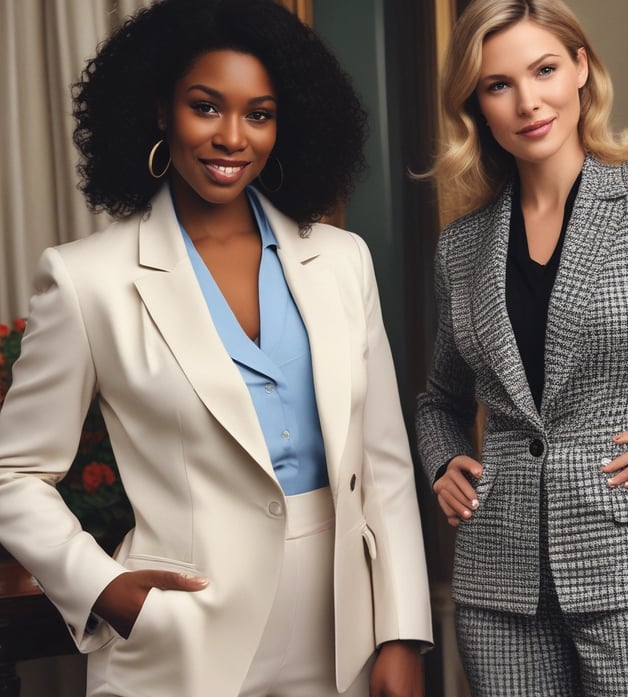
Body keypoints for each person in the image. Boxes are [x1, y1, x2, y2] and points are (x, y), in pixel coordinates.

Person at [0, 1, 432, 696]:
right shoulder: (88, 280)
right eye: (206, 107)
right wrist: (107, 590)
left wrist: (403, 630)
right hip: (183, 637)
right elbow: (12, 473)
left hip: (344, 627)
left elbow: (384, 464)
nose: (233, 137)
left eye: (258, 114)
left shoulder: (343, 260)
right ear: (162, 110)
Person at [415, 0, 628, 695]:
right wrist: (441, 461)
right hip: (498, 591)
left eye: (544, 69)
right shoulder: (461, 247)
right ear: (476, 104)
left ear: (581, 67)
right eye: (499, 84)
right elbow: (440, 399)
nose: (528, 101)